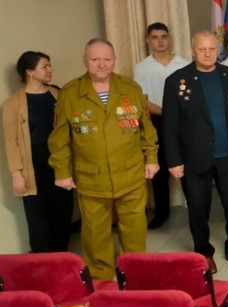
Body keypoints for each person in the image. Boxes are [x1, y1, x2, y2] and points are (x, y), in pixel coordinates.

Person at [48, 39, 158, 280]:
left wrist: (151, 158)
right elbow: (59, 139)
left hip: (130, 173)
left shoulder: (130, 88)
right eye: (95, 59)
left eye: (107, 59)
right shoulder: (70, 93)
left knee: (135, 228)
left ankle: (135, 273)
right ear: (85, 61)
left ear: (114, 60)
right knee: (95, 232)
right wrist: (62, 172)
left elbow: (146, 130)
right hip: (91, 177)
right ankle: (101, 279)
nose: (102, 64)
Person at [162, 30, 228, 274]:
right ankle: (204, 251)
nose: (208, 54)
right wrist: (173, 160)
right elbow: (169, 125)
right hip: (194, 157)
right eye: (202, 49)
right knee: (198, 208)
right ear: (192, 50)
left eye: (212, 49)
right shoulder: (177, 80)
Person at [3, 51, 73, 252]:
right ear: (30, 72)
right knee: (37, 214)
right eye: (45, 66)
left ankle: (61, 255)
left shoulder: (57, 94)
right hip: (32, 163)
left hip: (59, 159)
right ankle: (42, 259)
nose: (50, 70)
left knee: (62, 210)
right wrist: (16, 173)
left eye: (49, 66)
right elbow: (11, 141)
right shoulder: (13, 103)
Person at [133, 23, 190, 229]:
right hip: (156, 121)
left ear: (170, 39)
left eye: (164, 36)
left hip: (183, 122)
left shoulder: (184, 64)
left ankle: (195, 209)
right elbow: (143, 101)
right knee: (159, 170)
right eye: (155, 37)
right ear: (148, 40)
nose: (160, 41)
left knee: (187, 166)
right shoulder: (141, 68)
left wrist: (177, 115)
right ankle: (161, 213)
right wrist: (168, 113)